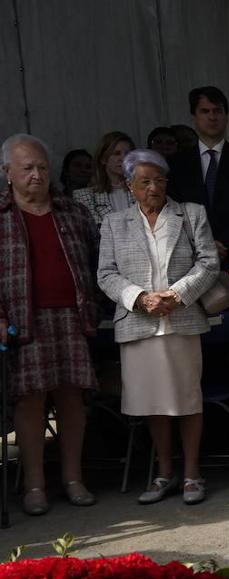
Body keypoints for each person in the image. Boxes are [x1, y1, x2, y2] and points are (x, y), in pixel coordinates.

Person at [96, 149, 219, 505]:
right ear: (129, 186)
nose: (154, 188)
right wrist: (140, 297)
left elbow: (208, 264)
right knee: (152, 404)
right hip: (138, 321)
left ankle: (193, 473)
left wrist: (176, 295)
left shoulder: (191, 213)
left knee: (187, 399)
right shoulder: (114, 223)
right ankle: (165, 472)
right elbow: (105, 274)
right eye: (145, 182)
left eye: (160, 180)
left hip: (180, 319)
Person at [0, 134, 100, 516]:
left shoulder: (71, 212)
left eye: (41, 167)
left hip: (73, 315)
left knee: (73, 397)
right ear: (8, 173)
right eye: (27, 168)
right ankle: (34, 485)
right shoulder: (2, 215)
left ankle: (74, 479)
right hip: (23, 320)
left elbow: (97, 259)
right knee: (30, 403)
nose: (36, 175)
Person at [168, 86, 229, 262]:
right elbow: (174, 208)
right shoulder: (176, 163)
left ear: (227, 116)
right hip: (190, 257)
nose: (212, 117)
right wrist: (202, 244)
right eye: (205, 111)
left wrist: (223, 242)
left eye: (218, 111)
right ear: (194, 117)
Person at [73, 131, 135, 226]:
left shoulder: (144, 192)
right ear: (103, 159)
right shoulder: (84, 196)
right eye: (116, 153)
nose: (123, 158)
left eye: (127, 154)